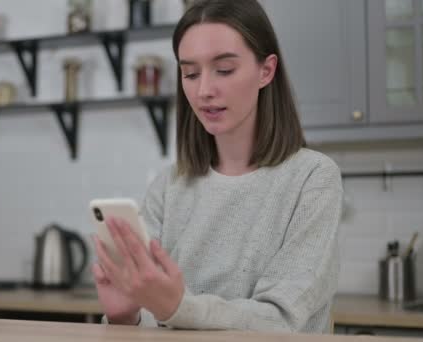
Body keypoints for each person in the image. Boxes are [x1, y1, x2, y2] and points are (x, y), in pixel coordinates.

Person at [91, 0, 342, 333]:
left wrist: (178, 307)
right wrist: (126, 316)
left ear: (266, 71)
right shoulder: (170, 185)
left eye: (224, 70)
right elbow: (158, 318)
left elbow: (282, 320)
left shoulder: (313, 179)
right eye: (190, 73)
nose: (204, 90)